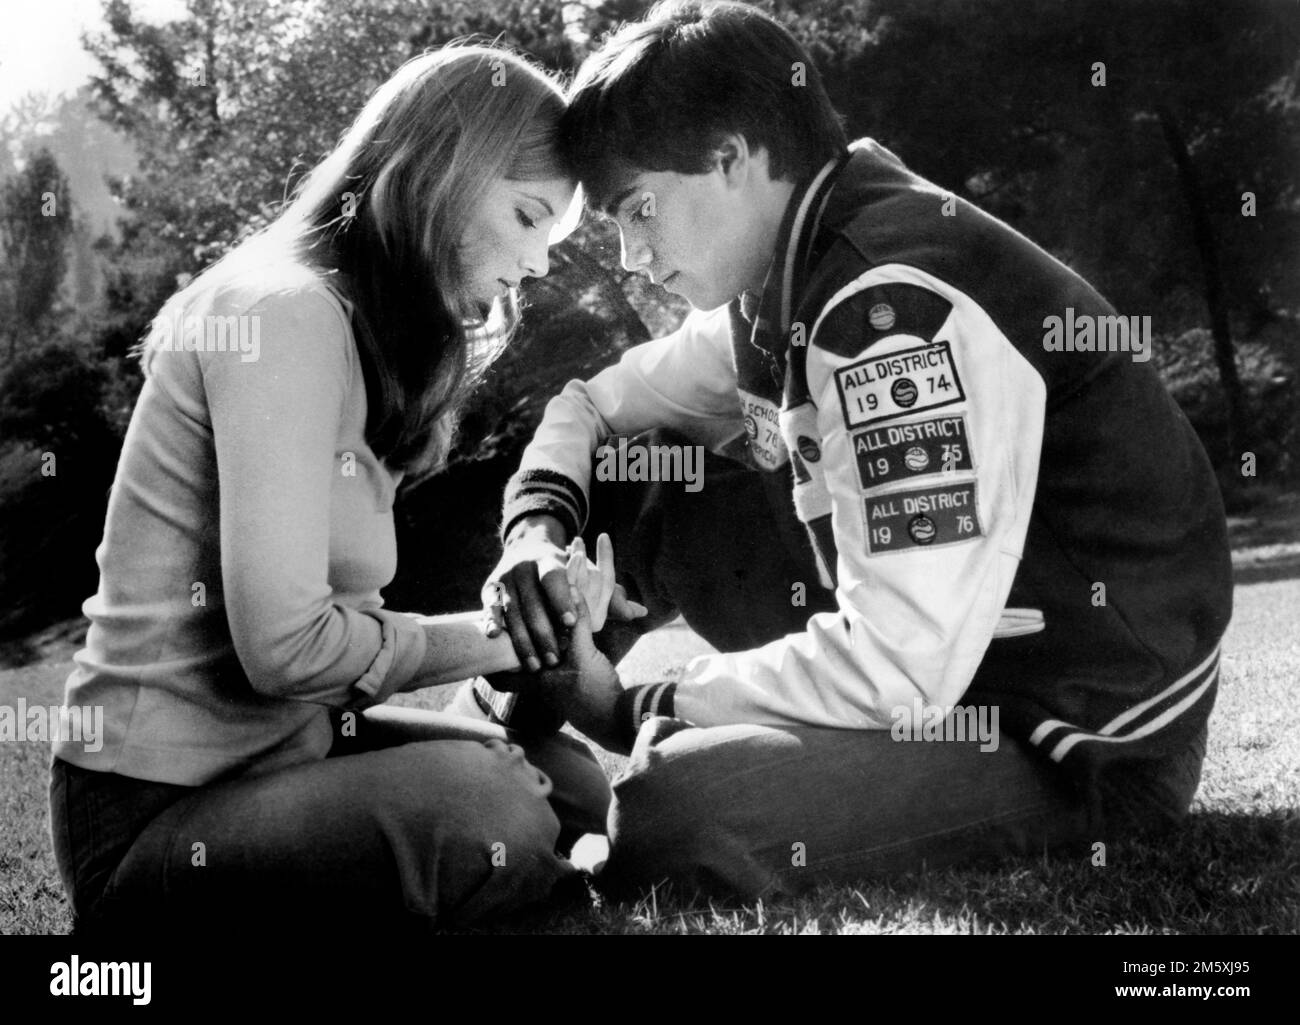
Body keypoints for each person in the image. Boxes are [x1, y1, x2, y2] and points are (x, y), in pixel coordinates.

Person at [480, 0, 1233, 901]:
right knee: (635, 469)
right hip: (955, 671)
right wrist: (531, 533)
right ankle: (505, 755)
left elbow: (899, 662)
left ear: (731, 157)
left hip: (1080, 729)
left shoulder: (887, 306)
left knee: (674, 813)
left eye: (638, 208)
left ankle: (585, 761)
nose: (632, 254)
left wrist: (640, 703)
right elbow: (592, 405)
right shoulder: (781, 277)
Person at [48, 43, 645, 937]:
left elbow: (328, 665)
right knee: (498, 810)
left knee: (575, 788)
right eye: (527, 218)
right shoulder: (279, 312)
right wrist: (500, 639)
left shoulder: (357, 335)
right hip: (152, 817)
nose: (539, 265)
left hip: (292, 758)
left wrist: (537, 630)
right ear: (442, 173)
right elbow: (284, 651)